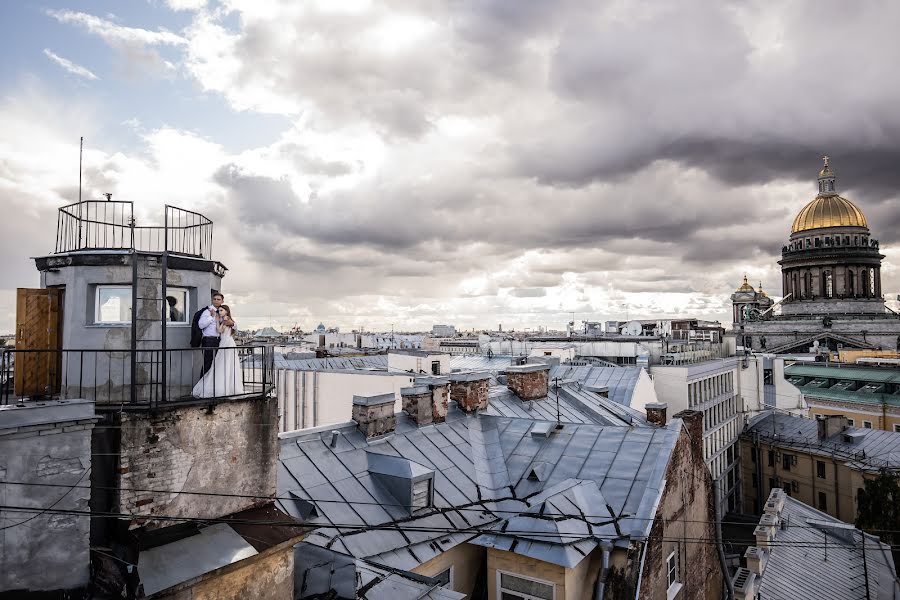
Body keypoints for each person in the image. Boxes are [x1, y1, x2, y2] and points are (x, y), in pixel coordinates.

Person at [192, 305, 243, 398]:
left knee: (223, 363)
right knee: (224, 364)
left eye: (221, 310)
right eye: (219, 310)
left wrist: (215, 320)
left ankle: (225, 387)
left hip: (226, 342)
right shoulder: (225, 319)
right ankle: (227, 387)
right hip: (225, 342)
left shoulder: (226, 319)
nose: (220, 312)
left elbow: (219, 330)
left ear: (226, 311)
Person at [192, 292, 229, 375]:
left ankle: (212, 386)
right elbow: (201, 325)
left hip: (219, 340)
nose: (216, 301)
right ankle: (202, 386)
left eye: (218, 299)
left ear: (222, 301)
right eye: (214, 299)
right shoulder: (207, 311)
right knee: (207, 364)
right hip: (209, 340)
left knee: (217, 365)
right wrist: (211, 317)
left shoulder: (222, 311)